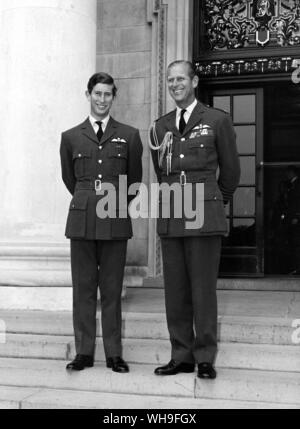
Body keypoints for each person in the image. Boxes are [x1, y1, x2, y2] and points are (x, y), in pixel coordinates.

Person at [149, 60, 240, 379]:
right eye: (170, 80)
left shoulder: (216, 120)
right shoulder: (159, 127)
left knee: (202, 289)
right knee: (175, 290)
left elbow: (231, 173)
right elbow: (163, 173)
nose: (175, 85)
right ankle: (181, 355)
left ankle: (204, 356)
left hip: (204, 215)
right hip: (173, 215)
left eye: (181, 79)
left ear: (195, 81)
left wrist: (212, 202)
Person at [60, 72, 143, 373]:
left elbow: (134, 179)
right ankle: (83, 352)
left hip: (114, 218)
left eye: (107, 94)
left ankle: (113, 354)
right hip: (81, 221)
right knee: (83, 289)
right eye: (97, 93)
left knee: (111, 290)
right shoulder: (70, 137)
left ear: (113, 97)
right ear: (88, 95)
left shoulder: (130, 135)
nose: (102, 99)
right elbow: (70, 180)